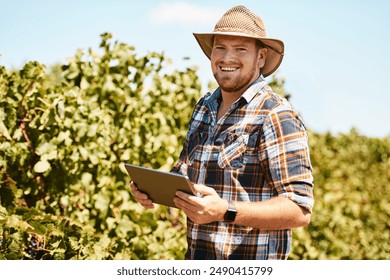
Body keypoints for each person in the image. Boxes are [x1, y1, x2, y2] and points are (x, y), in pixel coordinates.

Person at [130, 5, 314, 260]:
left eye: (240, 49)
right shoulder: (204, 107)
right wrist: (152, 189)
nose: (227, 58)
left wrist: (225, 210)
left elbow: (299, 208)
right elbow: (187, 176)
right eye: (220, 48)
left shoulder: (276, 114)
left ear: (260, 57)